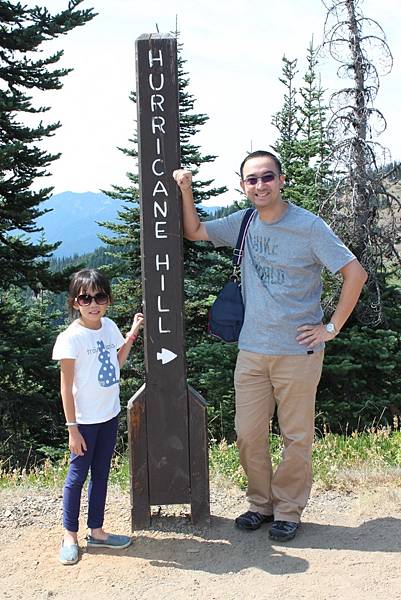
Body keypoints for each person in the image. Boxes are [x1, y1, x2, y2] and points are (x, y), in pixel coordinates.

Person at [173, 150, 367, 542]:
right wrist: (186, 188)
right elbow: (193, 231)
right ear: (243, 186)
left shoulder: (309, 227)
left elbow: (354, 273)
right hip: (252, 350)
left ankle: (289, 509)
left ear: (281, 181)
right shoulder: (244, 222)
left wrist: (330, 327)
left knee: (296, 436)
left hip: (299, 352)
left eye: (266, 177)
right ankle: (260, 504)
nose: (259, 185)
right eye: (251, 179)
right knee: (248, 433)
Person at [52, 268, 144, 565]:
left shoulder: (109, 327)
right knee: (77, 477)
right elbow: (66, 388)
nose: (93, 303)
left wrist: (131, 335)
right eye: (85, 298)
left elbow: (115, 363)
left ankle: (98, 531)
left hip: (109, 415)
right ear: (74, 302)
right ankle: (70, 535)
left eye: (100, 297)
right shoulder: (70, 339)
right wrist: (72, 429)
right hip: (84, 422)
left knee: (101, 473)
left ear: (108, 300)